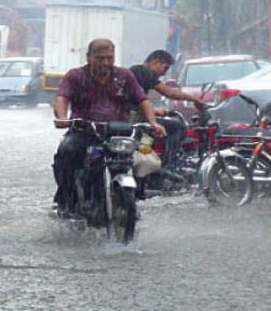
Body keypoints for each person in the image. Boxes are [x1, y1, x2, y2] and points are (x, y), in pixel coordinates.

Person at [52, 39, 167, 217]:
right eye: (99, 58)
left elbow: (142, 100)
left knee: (136, 160)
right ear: (88, 57)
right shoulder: (75, 76)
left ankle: (131, 199)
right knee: (66, 152)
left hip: (118, 132)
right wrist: (62, 118)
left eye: (109, 58)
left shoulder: (124, 76)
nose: (105, 63)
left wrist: (153, 123)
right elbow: (62, 98)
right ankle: (66, 200)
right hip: (84, 131)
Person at [129, 50, 207, 169]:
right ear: (155, 62)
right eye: (165, 68)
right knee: (178, 127)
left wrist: (155, 111)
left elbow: (134, 101)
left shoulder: (135, 71)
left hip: (131, 115)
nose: (164, 74)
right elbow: (169, 92)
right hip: (135, 119)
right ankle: (168, 166)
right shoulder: (144, 71)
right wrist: (194, 99)